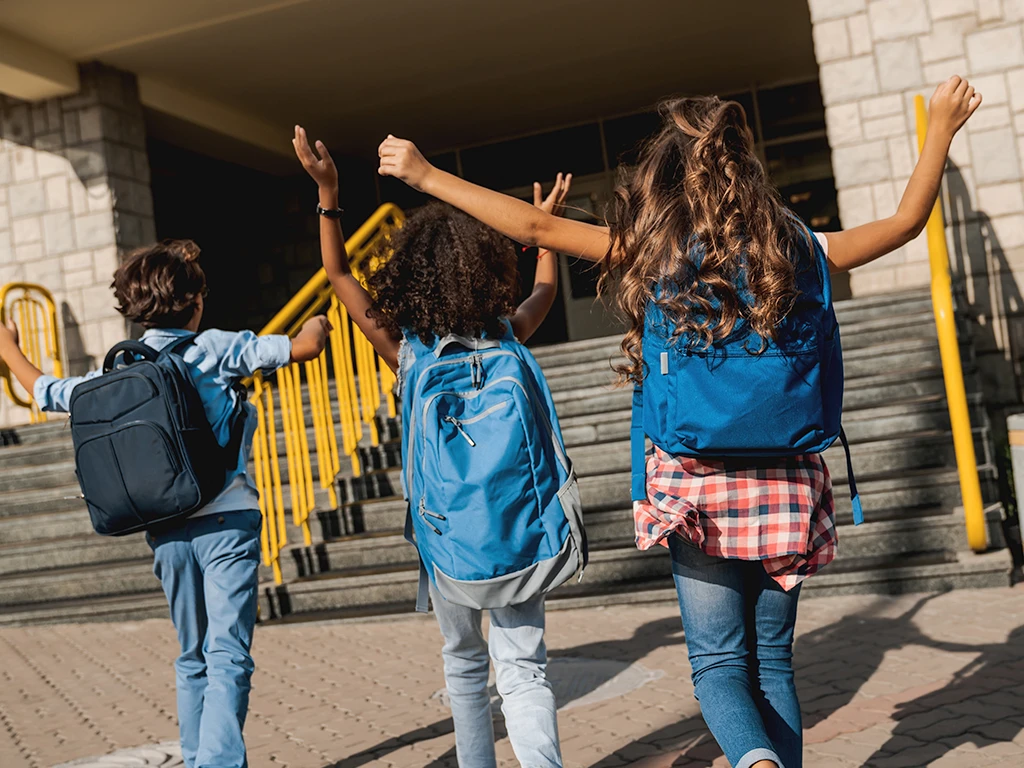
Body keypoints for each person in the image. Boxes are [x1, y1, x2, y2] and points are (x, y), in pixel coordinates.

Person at [374, 76, 982, 768]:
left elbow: (536, 228)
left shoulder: (656, 253)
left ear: (668, 180)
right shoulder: (800, 249)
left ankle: (754, 763)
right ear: (745, 172)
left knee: (720, 664)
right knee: (773, 663)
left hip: (695, 485)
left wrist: (426, 174)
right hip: (788, 484)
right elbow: (904, 223)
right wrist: (939, 128)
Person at [293, 125, 574, 768]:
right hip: (514, 525)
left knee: (464, 662)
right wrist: (544, 233)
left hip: (445, 534)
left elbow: (337, 273)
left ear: (411, 275)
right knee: (524, 667)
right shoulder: (508, 336)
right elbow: (546, 293)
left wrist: (329, 192)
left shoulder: (409, 353)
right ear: (483, 272)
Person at [0, 240, 331, 768]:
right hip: (227, 522)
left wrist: (8, 344)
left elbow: (46, 391)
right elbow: (303, 347)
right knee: (228, 655)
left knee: (192, 655)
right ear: (196, 300)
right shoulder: (217, 348)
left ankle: (201, 757)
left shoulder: (119, 373)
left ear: (131, 309)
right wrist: (320, 318)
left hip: (166, 529)